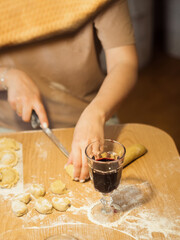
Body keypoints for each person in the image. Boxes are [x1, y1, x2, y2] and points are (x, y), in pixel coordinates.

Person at [0, 0, 138, 182]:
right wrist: (6, 76)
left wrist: (97, 113)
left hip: (91, 120)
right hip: (10, 128)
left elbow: (124, 62)